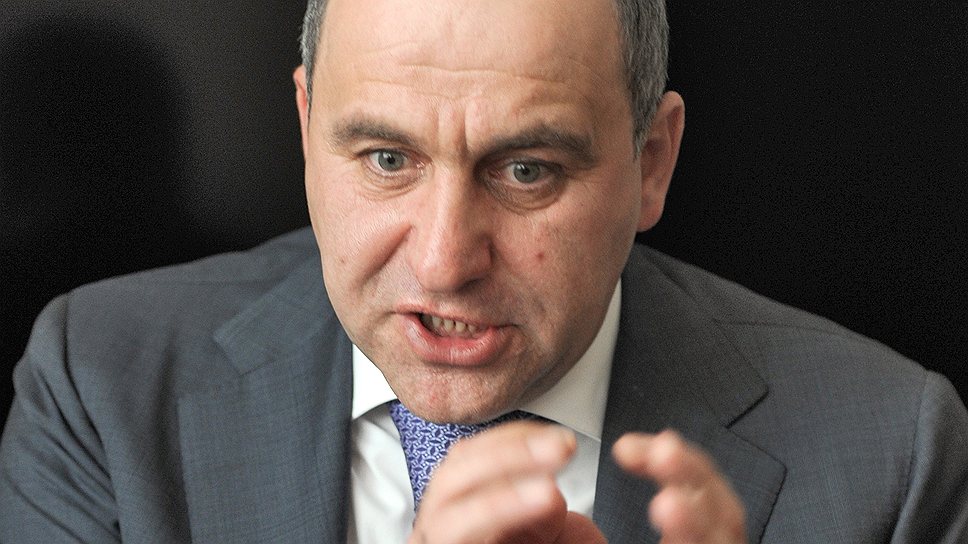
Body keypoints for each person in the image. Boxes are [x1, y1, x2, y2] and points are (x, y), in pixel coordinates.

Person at [1, 0, 966, 542]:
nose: (443, 262)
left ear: (651, 164)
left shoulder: (894, 454)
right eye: (387, 159)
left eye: (527, 170)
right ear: (305, 130)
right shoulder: (100, 384)